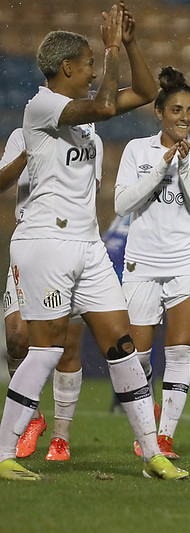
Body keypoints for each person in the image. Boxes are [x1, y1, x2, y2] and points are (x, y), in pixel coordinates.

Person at [0, 2, 186, 481]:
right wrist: (109, 50)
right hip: (46, 241)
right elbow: (106, 104)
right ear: (67, 68)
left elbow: (144, 91)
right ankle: (3, 453)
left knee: (121, 345)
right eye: (86, 64)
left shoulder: (80, 120)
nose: (91, 71)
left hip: (88, 245)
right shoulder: (41, 106)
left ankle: (152, 454)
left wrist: (128, 44)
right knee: (44, 349)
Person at [115, 66, 190, 460]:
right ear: (158, 111)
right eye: (176, 109)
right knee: (137, 358)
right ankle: (146, 428)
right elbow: (122, 204)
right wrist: (162, 165)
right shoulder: (136, 151)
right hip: (141, 263)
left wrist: (185, 166)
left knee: (178, 353)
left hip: (187, 262)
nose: (184, 117)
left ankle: (164, 439)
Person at [1, 128, 93, 461]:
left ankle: (61, 437)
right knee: (16, 338)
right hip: (28, 245)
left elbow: (88, 191)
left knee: (66, 345)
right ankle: (33, 417)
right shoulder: (21, 136)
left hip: (68, 245)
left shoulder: (85, 136)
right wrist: (27, 155)